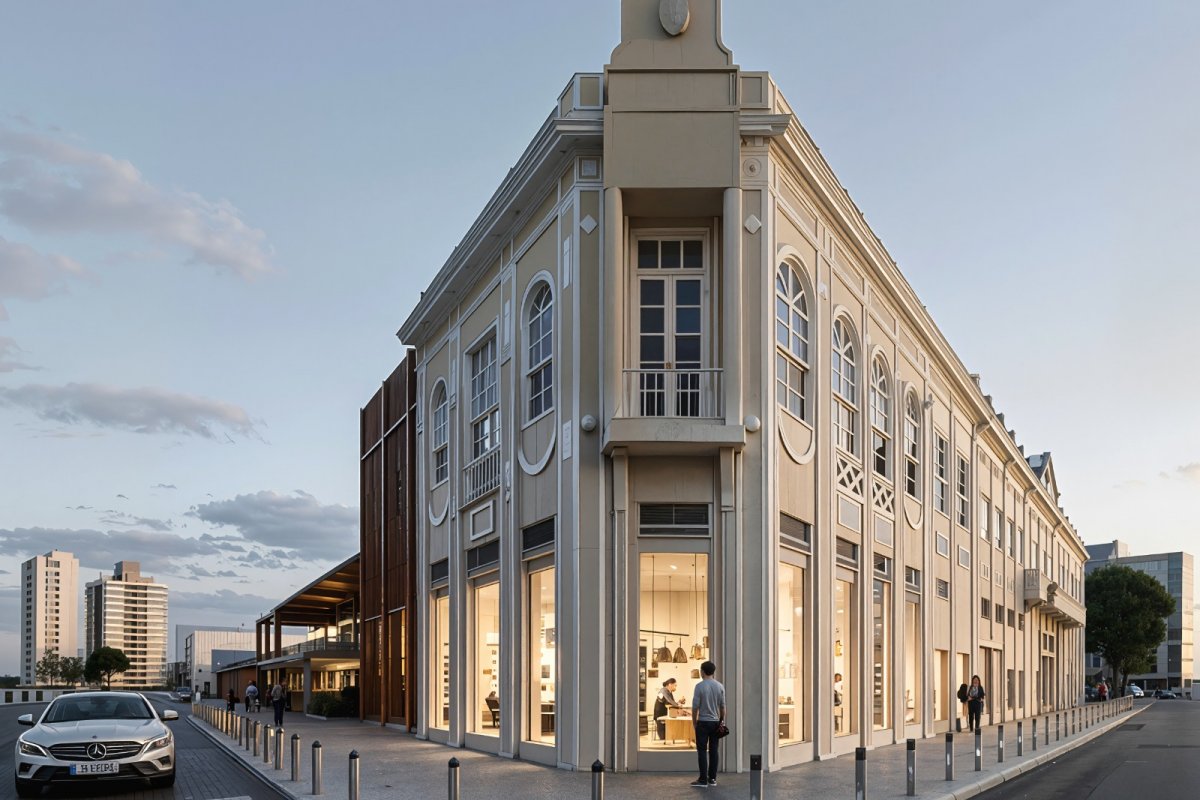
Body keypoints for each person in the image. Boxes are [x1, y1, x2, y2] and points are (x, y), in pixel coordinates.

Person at [690, 660, 725, 789]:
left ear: (703, 671)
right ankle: (713, 779)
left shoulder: (699, 686)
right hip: (715, 722)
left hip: (703, 723)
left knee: (702, 751)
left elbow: (695, 707)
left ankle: (703, 780)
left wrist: (694, 722)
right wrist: (721, 721)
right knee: (714, 750)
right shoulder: (720, 686)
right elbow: (722, 707)